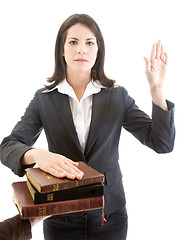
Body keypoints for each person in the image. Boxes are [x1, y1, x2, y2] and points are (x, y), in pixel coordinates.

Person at [0, 14, 175, 240]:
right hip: (60, 218)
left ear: (98, 51)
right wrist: (37, 155)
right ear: (61, 50)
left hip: (109, 215)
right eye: (73, 42)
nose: (81, 49)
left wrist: (157, 91)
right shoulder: (44, 99)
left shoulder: (117, 96)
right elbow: (8, 146)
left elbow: (162, 143)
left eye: (89, 42)